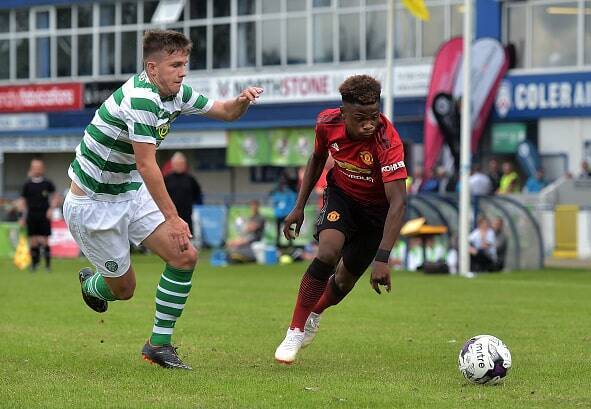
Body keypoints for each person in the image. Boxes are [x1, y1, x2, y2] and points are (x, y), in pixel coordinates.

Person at [62, 29, 263, 370]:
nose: (183, 72)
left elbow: (226, 112)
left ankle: (158, 345)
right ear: (152, 68)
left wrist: (242, 100)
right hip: (93, 204)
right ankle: (93, 284)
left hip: (129, 190)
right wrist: (172, 217)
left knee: (184, 256)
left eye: (184, 64)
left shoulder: (176, 92)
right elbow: (146, 164)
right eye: (175, 65)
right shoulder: (140, 98)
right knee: (124, 289)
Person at [274, 75, 407, 364]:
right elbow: (316, 159)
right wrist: (298, 206)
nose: (369, 124)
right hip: (342, 198)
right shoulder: (326, 123)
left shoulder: (387, 140)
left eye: (374, 115)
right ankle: (295, 329)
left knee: (344, 281)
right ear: (343, 112)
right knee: (327, 252)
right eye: (360, 118)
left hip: (376, 214)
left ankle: (315, 313)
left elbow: (398, 201)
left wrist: (382, 258)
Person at [19, 158, 58, 272]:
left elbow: (56, 197)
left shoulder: (47, 183)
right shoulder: (27, 184)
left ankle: (47, 266)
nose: (37, 169)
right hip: (31, 215)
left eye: (39, 167)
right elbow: (22, 201)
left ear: (43, 168)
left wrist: (51, 209)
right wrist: (22, 216)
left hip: (44, 215)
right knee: (33, 241)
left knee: (45, 240)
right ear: (31, 168)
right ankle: (34, 264)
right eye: (35, 167)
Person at [164, 151, 203, 235]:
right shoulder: (167, 179)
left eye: (181, 163)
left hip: (187, 213)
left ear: (185, 164)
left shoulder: (190, 179)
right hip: (171, 213)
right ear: (172, 164)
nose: (179, 165)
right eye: (177, 163)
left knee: (187, 234)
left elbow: (197, 193)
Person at [270, 176, 297, 247]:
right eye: (281, 183)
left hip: (287, 215)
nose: (282, 185)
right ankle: (278, 244)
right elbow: (274, 202)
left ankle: (290, 244)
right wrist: (276, 210)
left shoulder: (290, 193)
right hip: (279, 215)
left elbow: (293, 201)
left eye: (284, 183)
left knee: (288, 229)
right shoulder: (277, 193)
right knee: (278, 230)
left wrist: (289, 211)